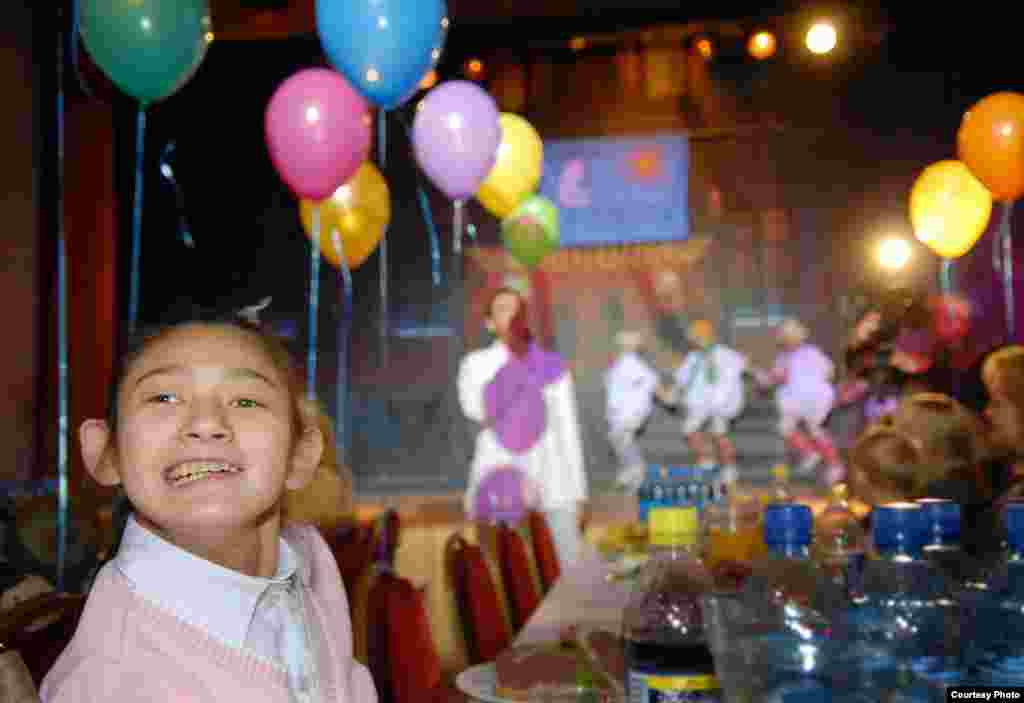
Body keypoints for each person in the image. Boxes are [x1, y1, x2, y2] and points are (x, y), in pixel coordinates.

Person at [40, 312, 376, 703]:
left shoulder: (310, 559)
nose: (206, 423)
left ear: (300, 456)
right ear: (105, 452)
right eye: (164, 397)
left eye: (245, 400)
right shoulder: (108, 681)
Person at [458, 287, 587, 570]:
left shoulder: (552, 365)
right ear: (489, 323)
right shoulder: (475, 365)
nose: (513, 315)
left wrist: (578, 491)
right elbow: (477, 410)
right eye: (503, 309)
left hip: (554, 479)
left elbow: (568, 430)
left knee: (569, 569)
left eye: (518, 309)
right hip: (501, 479)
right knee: (510, 576)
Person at [752, 318, 843, 485]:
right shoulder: (814, 352)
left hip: (803, 398)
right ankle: (827, 462)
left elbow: (776, 378)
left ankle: (825, 460)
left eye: (787, 338)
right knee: (806, 430)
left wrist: (761, 377)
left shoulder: (786, 357)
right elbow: (830, 372)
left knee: (793, 429)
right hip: (814, 397)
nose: (786, 341)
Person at [668, 320, 746, 484]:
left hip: (721, 402)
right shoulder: (693, 357)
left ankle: (730, 468)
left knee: (719, 435)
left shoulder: (725, 354)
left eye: (700, 337)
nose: (697, 341)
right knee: (690, 430)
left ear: (709, 337)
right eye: (695, 338)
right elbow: (682, 378)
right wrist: (674, 392)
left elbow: (740, 367)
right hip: (700, 402)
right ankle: (707, 462)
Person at [604, 330, 662, 492]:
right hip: (618, 413)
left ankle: (637, 473)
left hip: (631, 412)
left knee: (622, 439)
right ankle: (630, 472)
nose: (620, 345)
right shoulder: (619, 364)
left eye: (625, 343)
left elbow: (652, 383)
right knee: (618, 440)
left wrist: (666, 396)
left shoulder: (633, 364)